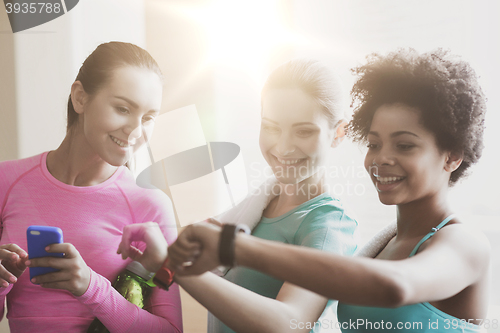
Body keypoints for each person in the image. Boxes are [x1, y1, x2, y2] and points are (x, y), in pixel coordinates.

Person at [119, 48, 489, 333]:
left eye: (405, 146)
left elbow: (393, 288)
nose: (382, 159)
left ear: (452, 156)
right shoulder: (378, 250)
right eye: (374, 144)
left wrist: (235, 247)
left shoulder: (464, 245)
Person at [121, 59, 358, 333]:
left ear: (338, 133)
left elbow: (289, 324)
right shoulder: (255, 208)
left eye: (303, 131)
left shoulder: (328, 225)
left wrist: (173, 265)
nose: (283, 146)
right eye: (271, 127)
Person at [0, 42, 182, 332]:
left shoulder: (150, 205)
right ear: (80, 98)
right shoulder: (6, 182)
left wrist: (90, 287)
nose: (136, 131)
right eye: (123, 108)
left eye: (148, 118)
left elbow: (171, 330)